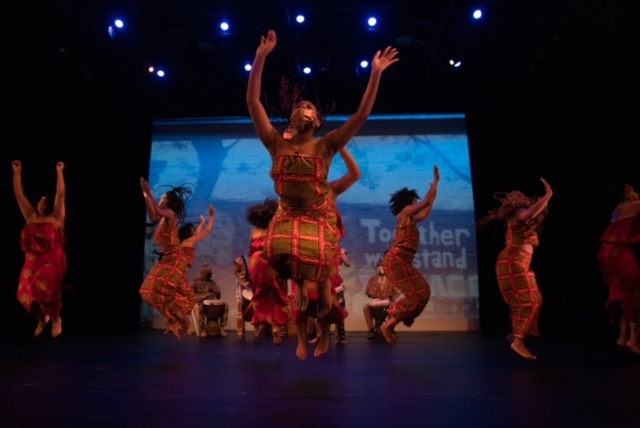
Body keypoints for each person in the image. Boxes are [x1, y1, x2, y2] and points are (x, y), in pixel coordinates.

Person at [246, 30, 396, 359]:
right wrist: (260, 57)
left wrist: (375, 74)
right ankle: (302, 306)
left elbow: (361, 116)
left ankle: (324, 327)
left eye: (309, 105)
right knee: (279, 252)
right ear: (293, 117)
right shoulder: (275, 142)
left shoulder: (326, 146)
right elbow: (253, 102)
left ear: (316, 119)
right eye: (299, 104)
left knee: (321, 270)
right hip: (287, 213)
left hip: (316, 215)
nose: (303, 107)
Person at [476, 177, 553, 360]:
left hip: (518, 263)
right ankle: (518, 340)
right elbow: (530, 213)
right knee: (529, 300)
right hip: (512, 262)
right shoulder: (520, 213)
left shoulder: (526, 222)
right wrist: (548, 194)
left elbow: (533, 215)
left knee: (534, 298)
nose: (539, 216)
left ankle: (516, 332)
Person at [379, 165, 440, 346]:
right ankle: (389, 324)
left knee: (423, 293)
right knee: (418, 295)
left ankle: (406, 315)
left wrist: (434, 190)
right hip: (396, 260)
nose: (416, 204)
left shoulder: (411, 219)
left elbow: (427, 210)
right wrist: (435, 183)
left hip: (402, 261)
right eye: (415, 201)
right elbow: (426, 203)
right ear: (409, 202)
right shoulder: (404, 213)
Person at [140, 203, 216, 340]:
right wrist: (211, 217)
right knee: (173, 299)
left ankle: (172, 322)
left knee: (173, 301)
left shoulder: (183, 243)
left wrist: (201, 223)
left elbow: (199, 232)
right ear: (190, 233)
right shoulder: (188, 243)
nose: (196, 232)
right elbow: (206, 232)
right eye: (194, 231)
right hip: (177, 275)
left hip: (178, 275)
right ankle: (178, 322)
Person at [12, 160, 67, 338]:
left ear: (49, 205)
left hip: (52, 260)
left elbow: (61, 195)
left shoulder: (56, 219)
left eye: (44, 200)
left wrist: (59, 172)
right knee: (24, 294)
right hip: (32, 260)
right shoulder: (30, 216)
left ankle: (56, 318)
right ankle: (42, 318)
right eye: (40, 200)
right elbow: (19, 195)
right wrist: (17, 172)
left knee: (45, 292)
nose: (40, 202)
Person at [597, 181, 640, 354]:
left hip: (606, 253)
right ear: (626, 193)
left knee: (623, 293)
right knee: (636, 292)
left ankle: (623, 337)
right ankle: (634, 339)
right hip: (620, 253)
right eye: (633, 189)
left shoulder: (617, 210)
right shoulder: (635, 205)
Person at [245, 198, 290, 345]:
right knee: (276, 294)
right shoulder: (274, 229)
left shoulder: (252, 232)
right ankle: (275, 327)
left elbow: (249, 249)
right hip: (270, 260)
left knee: (260, 293)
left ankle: (262, 324)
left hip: (255, 261)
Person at [363, 262, 402, 339]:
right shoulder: (373, 279)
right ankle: (371, 329)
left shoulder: (391, 279)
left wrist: (392, 299)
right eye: (379, 267)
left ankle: (391, 329)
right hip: (376, 300)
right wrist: (371, 293)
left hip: (388, 300)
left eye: (382, 267)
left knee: (392, 307)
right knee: (366, 308)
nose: (380, 269)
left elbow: (397, 291)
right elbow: (368, 293)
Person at [190, 263, 228, 337]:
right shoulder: (195, 282)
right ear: (202, 273)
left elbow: (218, 297)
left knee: (225, 306)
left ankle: (221, 328)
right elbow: (191, 295)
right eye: (206, 272)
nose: (208, 274)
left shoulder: (212, 282)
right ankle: (202, 329)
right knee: (200, 307)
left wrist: (217, 291)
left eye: (209, 272)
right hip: (199, 302)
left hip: (211, 304)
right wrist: (203, 296)